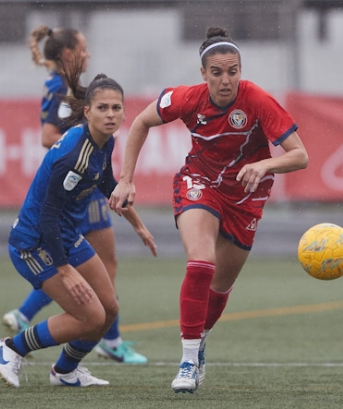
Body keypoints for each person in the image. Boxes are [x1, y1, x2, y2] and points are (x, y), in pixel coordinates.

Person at [108, 26, 309, 393]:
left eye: (233, 70)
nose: (226, 79)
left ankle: (199, 343)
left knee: (219, 288)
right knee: (201, 262)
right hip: (199, 182)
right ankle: (186, 362)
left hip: (246, 196)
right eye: (217, 72)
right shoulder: (187, 98)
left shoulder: (258, 99)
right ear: (203, 74)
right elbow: (140, 122)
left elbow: (300, 156)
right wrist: (126, 178)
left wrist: (264, 165)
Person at [1, 25, 156, 365]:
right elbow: (47, 217)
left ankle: (66, 370)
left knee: (108, 306)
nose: (111, 114)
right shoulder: (75, 157)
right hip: (35, 242)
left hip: (66, 233)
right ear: (87, 111)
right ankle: (11, 347)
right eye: (103, 108)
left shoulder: (106, 141)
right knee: (90, 315)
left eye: (117, 108)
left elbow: (108, 186)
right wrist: (66, 269)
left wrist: (139, 225)